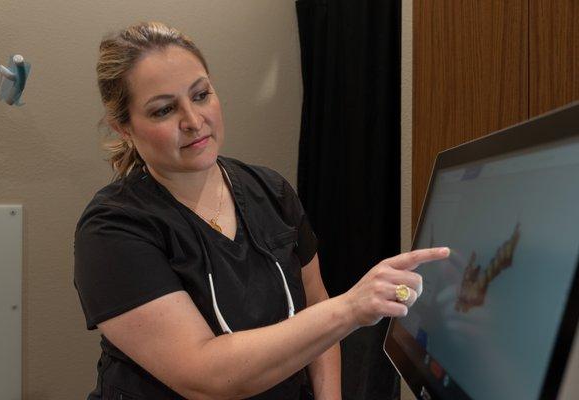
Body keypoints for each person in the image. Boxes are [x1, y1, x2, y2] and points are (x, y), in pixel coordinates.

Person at [73, 21, 449, 400]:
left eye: (201, 95)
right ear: (124, 128)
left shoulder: (270, 191)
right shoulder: (112, 230)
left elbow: (315, 308)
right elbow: (204, 375)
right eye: (164, 110)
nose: (193, 120)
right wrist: (350, 309)